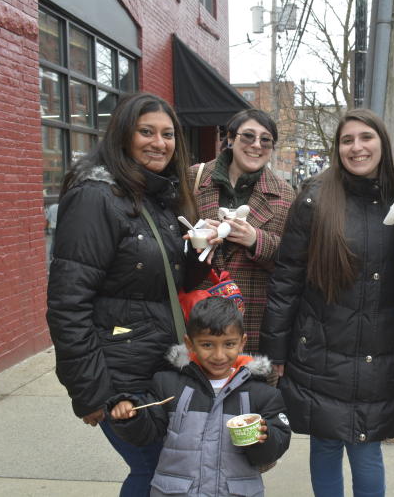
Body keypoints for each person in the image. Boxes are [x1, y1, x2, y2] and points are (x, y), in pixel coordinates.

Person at [46, 92, 209, 497]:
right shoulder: (95, 197)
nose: (159, 142)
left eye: (168, 134)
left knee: (165, 472)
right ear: (123, 135)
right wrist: (91, 393)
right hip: (120, 377)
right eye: (147, 132)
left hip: (158, 366)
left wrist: (201, 249)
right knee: (155, 471)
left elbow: (166, 283)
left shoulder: (157, 197)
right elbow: (68, 304)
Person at [260, 109, 394, 497]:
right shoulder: (315, 198)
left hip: (378, 349)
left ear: (382, 143)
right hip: (319, 347)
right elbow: (287, 279)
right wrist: (275, 352)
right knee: (325, 443)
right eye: (347, 140)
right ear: (337, 148)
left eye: (366, 138)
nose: (356, 147)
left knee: (365, 445)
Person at [106, 296, 291, 497]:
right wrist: (130, 415)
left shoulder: (261, 393)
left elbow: (275, 446)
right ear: (190, 343)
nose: (219, 355)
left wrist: (264, 438)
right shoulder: (169, 384)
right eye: (207, 345)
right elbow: (146, 434)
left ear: (242, 343)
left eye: (229, 344)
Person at [188, 109, 295, 357]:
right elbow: (169, 239)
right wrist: (197, 238)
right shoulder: (194, 178)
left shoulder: (285, 195)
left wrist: (257, 240)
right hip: (198, 314)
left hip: (253, 322)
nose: (256, 145)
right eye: (248, 136)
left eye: (265, 139)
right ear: (230, 139)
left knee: (249, 393)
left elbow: (294, 262)